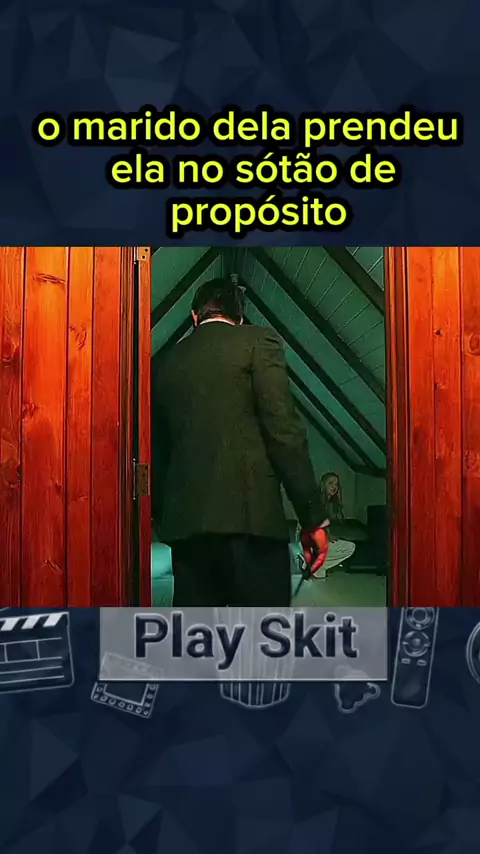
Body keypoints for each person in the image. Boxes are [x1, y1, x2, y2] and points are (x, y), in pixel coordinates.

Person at [151, 277, 330, 606]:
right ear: (239, 316)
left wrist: (164, 517)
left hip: (188, 530)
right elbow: (284, 432)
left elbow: (158, 451)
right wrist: (312, 517)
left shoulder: (165, 362)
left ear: (195, 316)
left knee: (197, 634)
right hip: (253, 524)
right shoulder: (259, 342)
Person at [310, 472, 356, 579]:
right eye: (330, 483)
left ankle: (315, 565)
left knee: (350, 547)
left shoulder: (331, 504)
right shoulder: (316, 500)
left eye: (336, 484)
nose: (334, 487)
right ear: (323, 484)